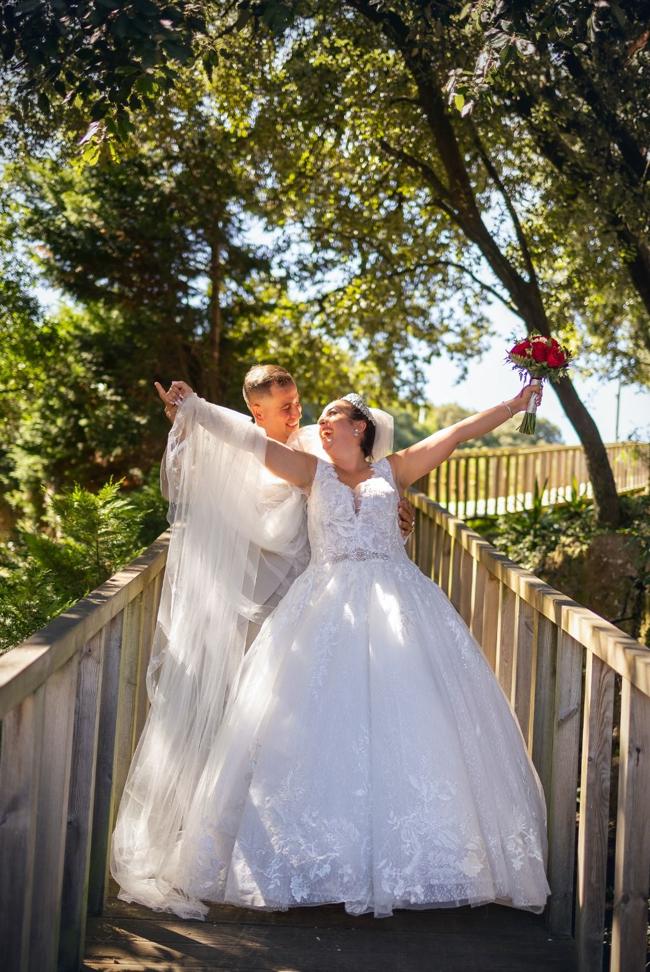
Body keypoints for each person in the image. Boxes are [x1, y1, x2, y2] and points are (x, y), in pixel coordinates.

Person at [112, 378, 550, 921]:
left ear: (360, 428)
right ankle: (317, 863)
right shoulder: (311, 473)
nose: (321, 422)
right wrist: (194, 409)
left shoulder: (396, 470)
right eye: (321, 417)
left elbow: (458, 433)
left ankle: (425, 863)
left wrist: (513, 404)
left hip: (401, 608)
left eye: (333, 416)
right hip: (322, 609)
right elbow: (251, 443)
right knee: (312, 730)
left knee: (413, 723)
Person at [110, 365, 413, 911]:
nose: (298, 412)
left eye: (298, 401)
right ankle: (248, 853)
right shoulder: (242, 455)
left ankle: (334, 852)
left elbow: (358, 479)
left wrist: (393, 509)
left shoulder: (314, 447)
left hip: (318, 608)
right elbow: (188, 485)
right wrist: (188, 415)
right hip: (247, 608)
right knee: (248, 734)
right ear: (256, 411)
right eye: (286, 406)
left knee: (327, 731)